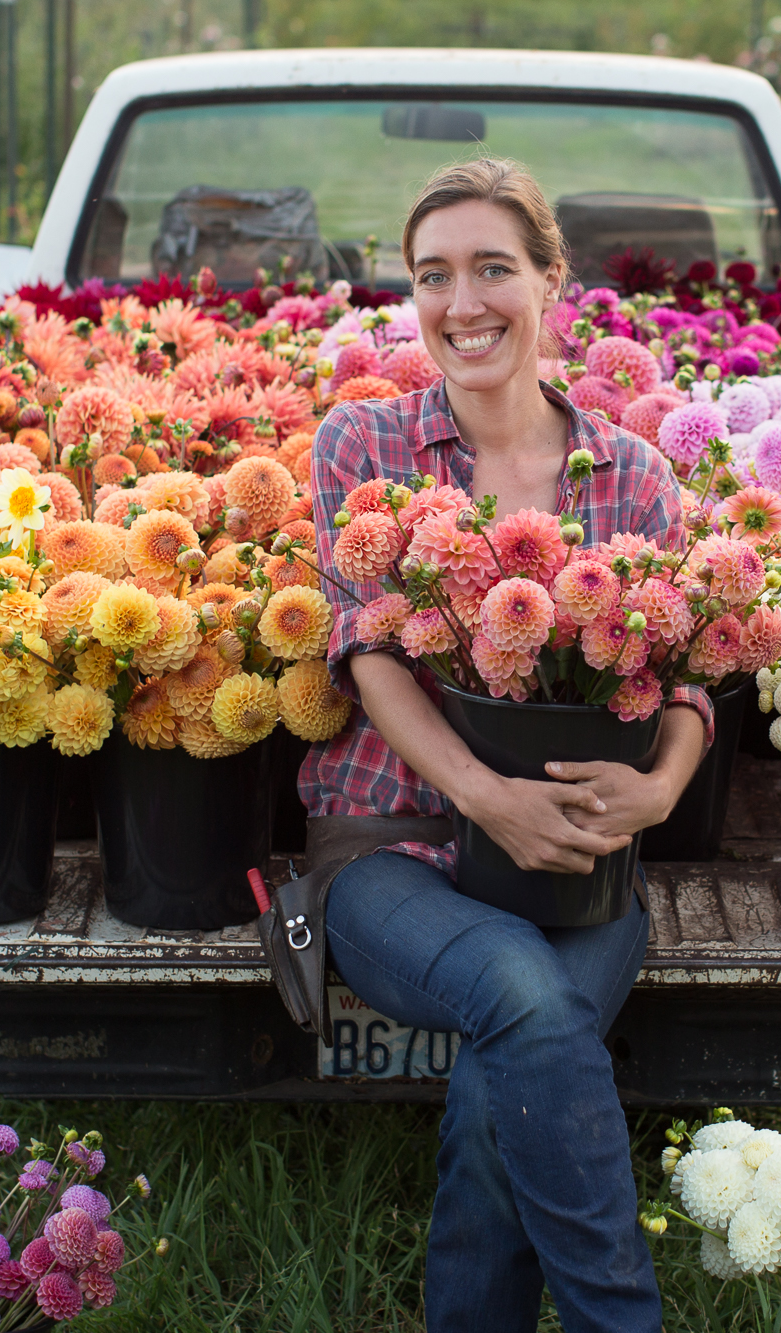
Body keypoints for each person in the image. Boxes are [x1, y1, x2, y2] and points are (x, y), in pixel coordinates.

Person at [303, 158, 713, 1333]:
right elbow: (367, 650)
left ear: (550, 284)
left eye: (492, 268)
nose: (461, 302)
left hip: (585, 863)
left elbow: (688, 679)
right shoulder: (366, 447)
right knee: (527, 1004)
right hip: (390, 853)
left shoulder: (627, 472)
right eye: (433, 275)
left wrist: (658, 794)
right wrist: (486, 797)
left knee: (502, 1078)